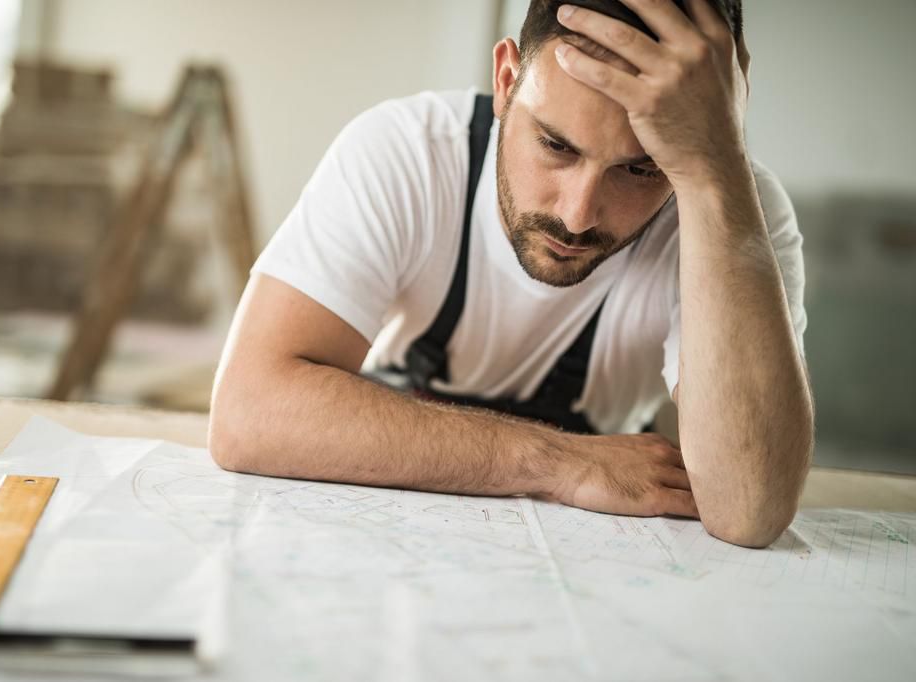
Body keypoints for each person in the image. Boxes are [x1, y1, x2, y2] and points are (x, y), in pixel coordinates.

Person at [208, 0, 814, 548]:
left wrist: (715, 172)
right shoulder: (408, 152)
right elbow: (248, 413)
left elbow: (748, 508)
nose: (577, 216)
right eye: (556, 145)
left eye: (640, 171)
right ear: (505, 80)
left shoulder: (736, 209)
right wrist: (558, 461)